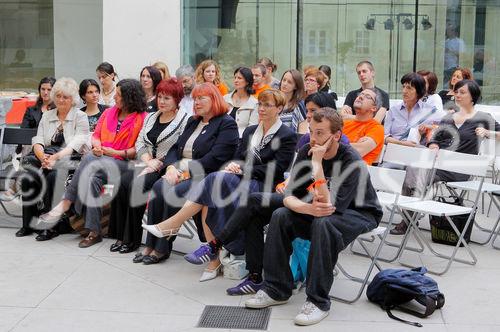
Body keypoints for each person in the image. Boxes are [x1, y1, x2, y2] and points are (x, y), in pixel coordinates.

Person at [243, 109, 382, 326]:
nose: (313, 139)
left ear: (336, 135)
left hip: (360, 212)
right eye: (310, 132)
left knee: (323, 223)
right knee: (280, 215)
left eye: (319, 133)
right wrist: (307, 209)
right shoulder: (307, 149)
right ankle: (276, 289)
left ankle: (318, 301)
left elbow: (328, 206)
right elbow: (289, 197)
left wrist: (317, 166)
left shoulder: (350, 159)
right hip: (319, 208)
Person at [142, 89, 297, 282]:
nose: (262, 109)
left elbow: (276, 169)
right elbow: (239, 157)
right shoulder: (250, 131)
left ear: (280, 109)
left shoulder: (287, 135)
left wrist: (242, 170)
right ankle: (212, 259)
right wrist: (234, 166)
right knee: (210, 195)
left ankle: (175, 226)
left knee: (213, 182)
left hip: (263, 185)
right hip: (240, 179)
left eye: (268, 105)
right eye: (260, 104)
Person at [35, 79, 147, 248]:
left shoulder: (142, 118)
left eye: (118, 95)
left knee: (89, 160)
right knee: (91, 178)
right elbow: (96, 136)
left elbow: (137, 150)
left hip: (128, 164)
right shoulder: (109, 112)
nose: (114, 97)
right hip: (101, 162)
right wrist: (97, 145)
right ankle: (94, 232)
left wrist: (110, 152)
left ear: (130, 98)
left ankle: (66, 203)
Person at [135, 82, 238, 265]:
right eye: (195, 98)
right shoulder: (194, 121)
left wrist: (185, 171)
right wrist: (171, 167)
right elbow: (176, 148)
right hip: (180, 170)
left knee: (173, 193)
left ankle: (161, 249)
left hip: (205, 176)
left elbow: (215, 158)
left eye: (201, 98)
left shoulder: (226, 124)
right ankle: (150, 245)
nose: (196, 102)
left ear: (214, 99)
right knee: (159, 186)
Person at [391, 79, 500, 235]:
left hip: (460, 168)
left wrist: (489, 133)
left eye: (462, 92)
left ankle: (409, 216)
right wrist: (433, 145)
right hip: (439, 163)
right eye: (456, 92)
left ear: (473, 96)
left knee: (416, 171)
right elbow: (435, 138)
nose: (457, 95)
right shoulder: (448, 118)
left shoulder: (483, 117)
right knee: (413, 167)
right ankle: (411, 212)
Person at [108, 78, 188, 254]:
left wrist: (157, 164)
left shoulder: (184, 120)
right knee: (121, 183)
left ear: (177, 99)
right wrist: (147, 160)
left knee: (137, 185)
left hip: (168, 167)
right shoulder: (151, 117)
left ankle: (131, 239)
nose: (161, 101)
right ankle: (120, 235)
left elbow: (179, 148)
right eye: (160, 97)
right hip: (146, 162)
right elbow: (140, 143)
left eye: (167, 98)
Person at [16, 77, 90, 240]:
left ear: (73, 99)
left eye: (65, 97)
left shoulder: (80, 116)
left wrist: (55, 158)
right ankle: (28, 224)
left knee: (54, 176)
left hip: (71, 157)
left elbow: (76, 144)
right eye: (58, 96)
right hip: (46, 155)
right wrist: (43, 157)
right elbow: (38, 139)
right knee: (29, 175)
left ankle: (51, 226)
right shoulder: (48, 115)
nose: (61, 100)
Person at [384, 73, 445, 147]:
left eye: (409, 88)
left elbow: (443, 130)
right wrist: (402, 143)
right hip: (393, 151)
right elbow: (385, 137)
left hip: (418, 153)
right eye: (403, 87)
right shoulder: (393, 111)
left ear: (419, 91)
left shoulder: (430, 111)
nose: (404, 91)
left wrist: (428, 129)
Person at [342, 88, 384, 165]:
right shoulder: (344, 123)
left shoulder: (377, 128)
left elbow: (358, 151)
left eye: (367, 97)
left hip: (356, 173)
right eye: (361, 94)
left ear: (374, 108)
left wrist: (335, 142)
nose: (360, 97)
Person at [224, 66, 259, 137]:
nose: (236, 80)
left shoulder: (255, 103)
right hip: (222, 137)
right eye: (235, 77)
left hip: (241, 141)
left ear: (247, 82)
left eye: (239, 78)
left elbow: (252, 128)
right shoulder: (225, 98)